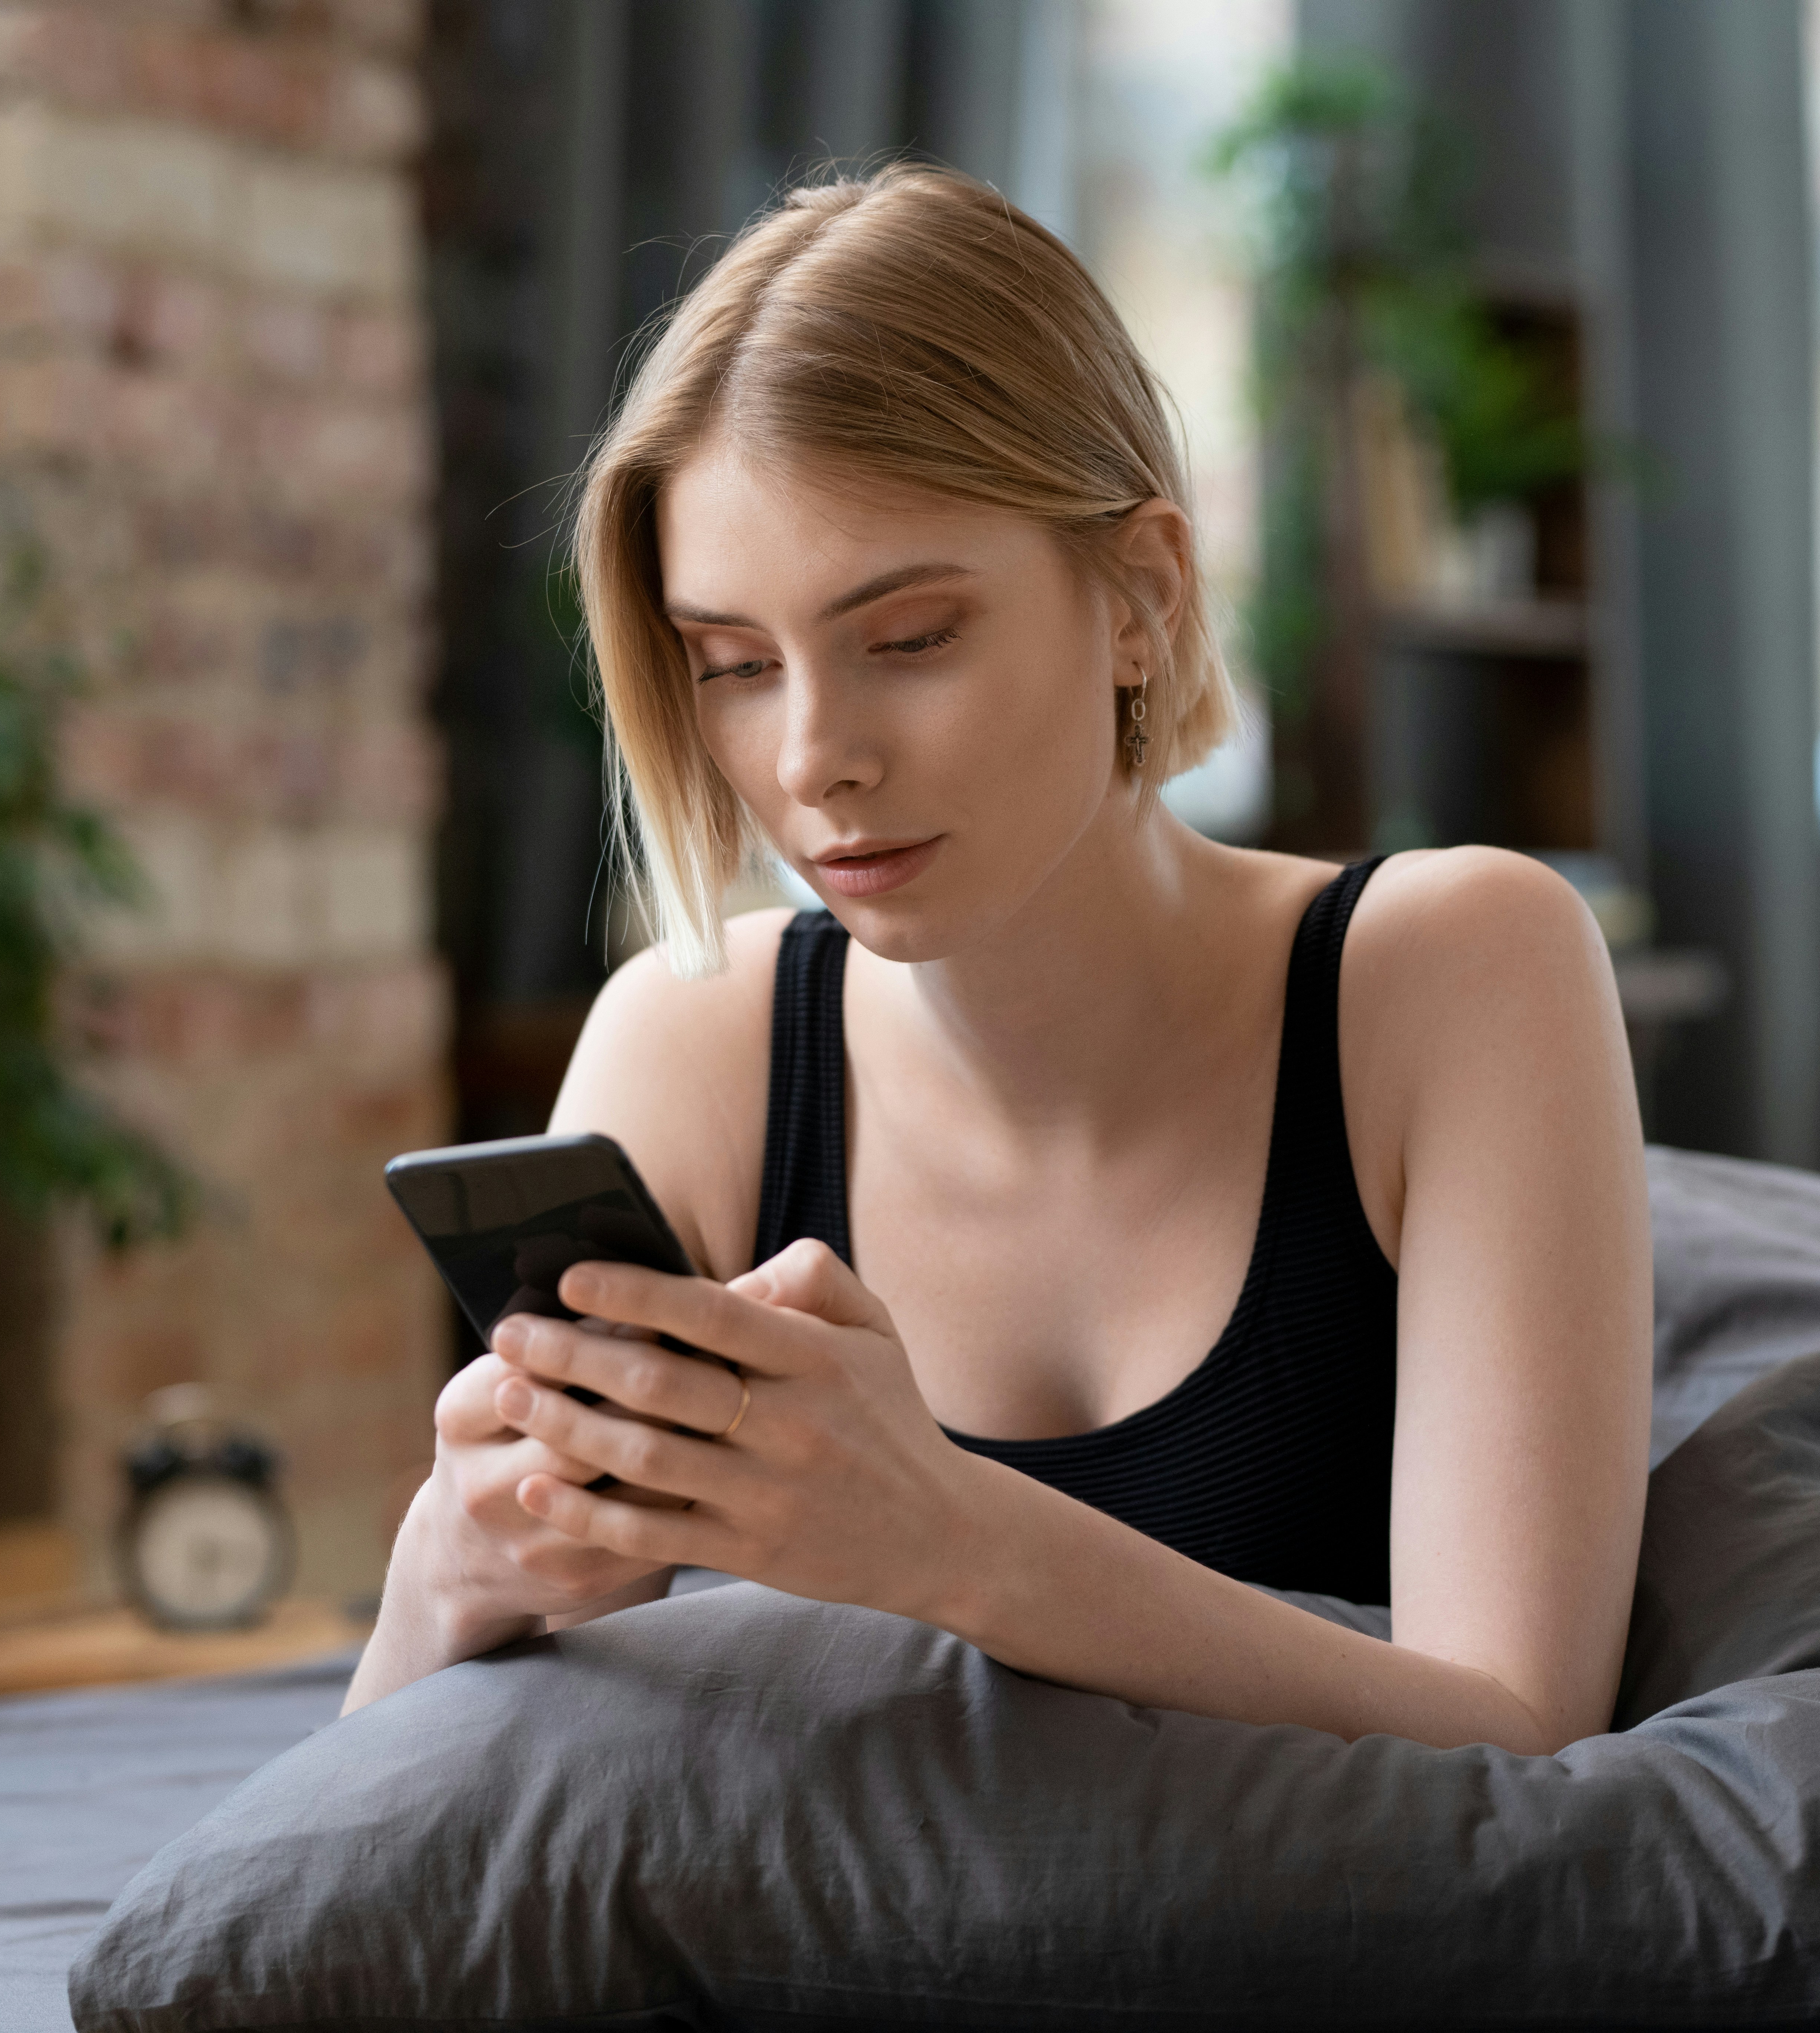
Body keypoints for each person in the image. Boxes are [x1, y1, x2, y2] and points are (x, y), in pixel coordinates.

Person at [345, 167, 1652, 1753]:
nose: (813, 758)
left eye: (910, 638)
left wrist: (949, 1540)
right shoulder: (695, 1043)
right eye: (736, 665)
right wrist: (449, 1572)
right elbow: (398, 1819)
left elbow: (1524, 1732)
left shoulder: (1459, 969)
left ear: (1142, 596)